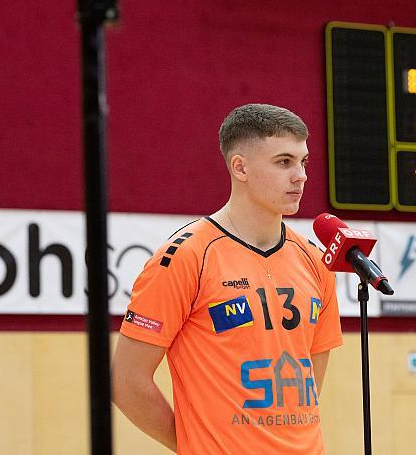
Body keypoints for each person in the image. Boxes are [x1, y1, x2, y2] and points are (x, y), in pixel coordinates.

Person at [112, 103, 343, 454]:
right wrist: (196, 443)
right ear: (240, 167)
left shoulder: (314, 261)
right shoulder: (186, 257)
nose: (301, 175)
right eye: (284, 162)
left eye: (303, 161)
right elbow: (125, 382)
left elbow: (309, 377)